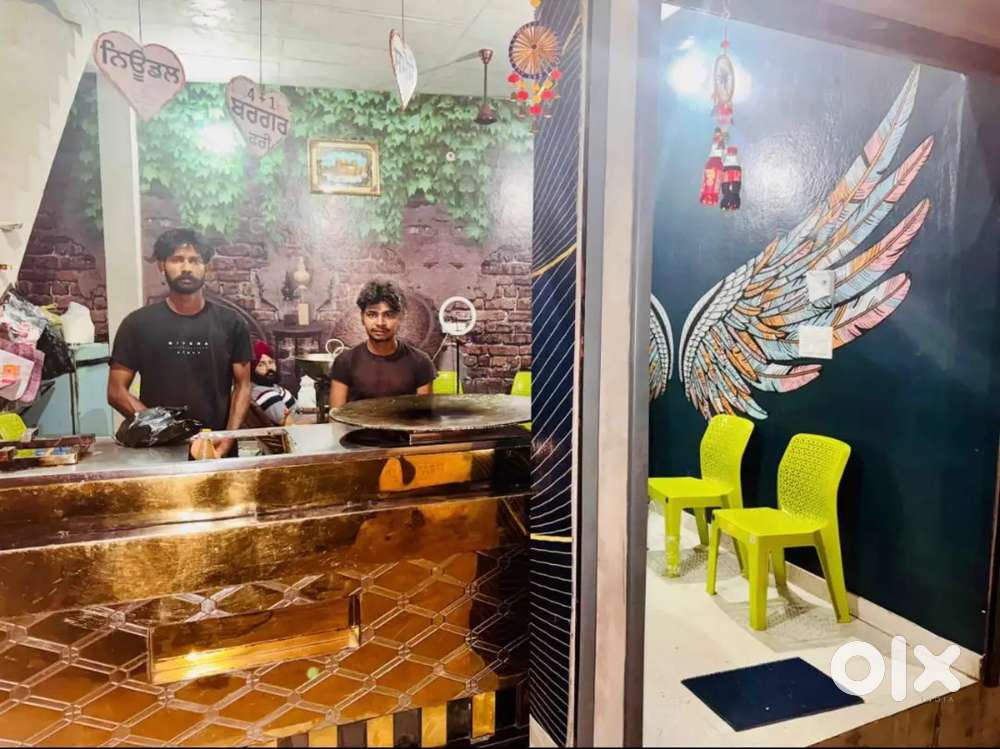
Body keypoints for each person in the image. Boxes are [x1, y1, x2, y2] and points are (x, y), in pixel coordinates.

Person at [108, 228, 252, 458]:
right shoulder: (137, 324)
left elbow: (243, 385)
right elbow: (116, 391)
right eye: (177, 259)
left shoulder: (231, 323)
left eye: (195, 260)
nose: (186, 268)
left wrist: (227, 439)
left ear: (207, 267)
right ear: (161, 265)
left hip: (217, 448)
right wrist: (163, 429)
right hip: (157, 452)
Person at [330, 280, 436, 406]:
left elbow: (423, 415)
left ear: (400, 318)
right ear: (362, 317)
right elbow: (336, 414)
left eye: (389, 315)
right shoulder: (344, 362)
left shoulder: (421, 362)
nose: (380, 323)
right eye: (372, 315)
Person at [249, 340, 299, 426]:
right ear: (252, 369)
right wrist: (319, 422)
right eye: (261, 364)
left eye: (271, 362)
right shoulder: (264, 393)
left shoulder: (271, 386)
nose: (269, 367)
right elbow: (289, 424)